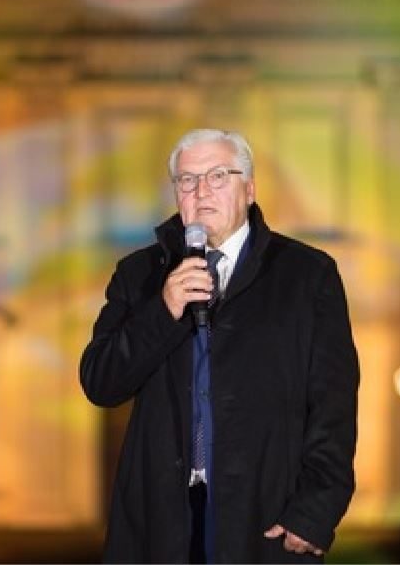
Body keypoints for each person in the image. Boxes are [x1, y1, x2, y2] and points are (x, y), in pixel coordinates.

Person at [80, 129, 358, 563]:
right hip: (161, 523)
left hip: (265, 516)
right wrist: (163, 310)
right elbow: (100, 381)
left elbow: (334, 407)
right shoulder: (139, 276)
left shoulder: (307, 276)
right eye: (187, 180)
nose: (201, 191)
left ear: (249, 189)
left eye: (217, 176)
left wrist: (317, 510)